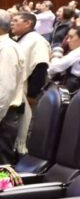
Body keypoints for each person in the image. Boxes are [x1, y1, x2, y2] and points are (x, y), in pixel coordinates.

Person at [10, 12, 50, 155]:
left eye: (15, 20)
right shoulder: (19, 39)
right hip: (16, 92)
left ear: (28, 23)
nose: (12, 23)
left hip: (27, 93)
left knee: (20, 137)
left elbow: (40, 67)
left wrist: (32, 94)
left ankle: (11, 175)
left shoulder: (37, 41)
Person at [0, 12, 26, 164]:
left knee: (2, 167)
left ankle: (6, 189)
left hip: (4, 116)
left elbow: (4, 89)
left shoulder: (7, 49)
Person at [48, 25, 80, 90]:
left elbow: (55, 67)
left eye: (71, 37)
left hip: (68, 88)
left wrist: (55, 55)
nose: (68, 40)